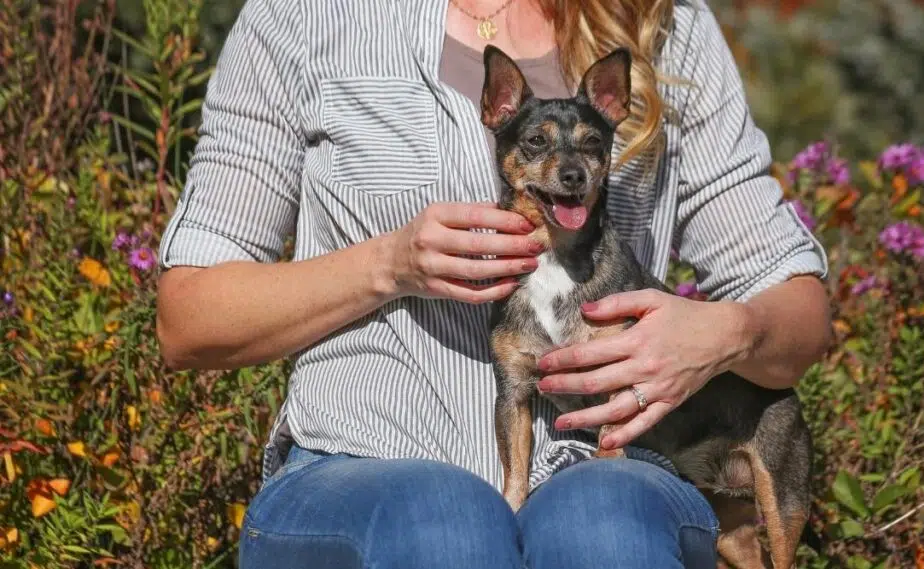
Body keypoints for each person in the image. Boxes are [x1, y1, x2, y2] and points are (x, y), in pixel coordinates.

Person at [155, 0, 833, 567]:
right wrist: (388, 265)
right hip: (355, 464)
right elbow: (188, 318)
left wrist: (722, 332)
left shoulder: (662, 19)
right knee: (448, 522)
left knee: (603, 521)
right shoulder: (306, 16)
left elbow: (798, 312)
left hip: (618, 473)